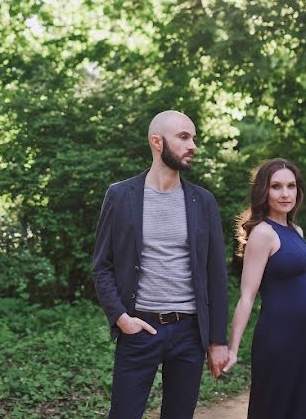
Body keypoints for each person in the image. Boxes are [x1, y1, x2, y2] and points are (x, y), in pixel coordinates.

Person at [92, 110, 230, 419]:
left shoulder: (203, 201)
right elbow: (102, 265)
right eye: (183, 137)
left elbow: (216, 275)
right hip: (140, 328)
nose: (192, 144)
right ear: (157, 141)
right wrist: (121, 318)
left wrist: (217, 340)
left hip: (189, 332)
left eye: (193, 137)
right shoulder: (120, 195)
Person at [221, 158, 306, 418]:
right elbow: (247, 295)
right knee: (279, 406)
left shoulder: (297, 230)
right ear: (264, 191)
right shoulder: (262, 233)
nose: (285, 193)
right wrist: (233, 348)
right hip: (283, 338)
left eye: (291, 186)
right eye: (276, 186)